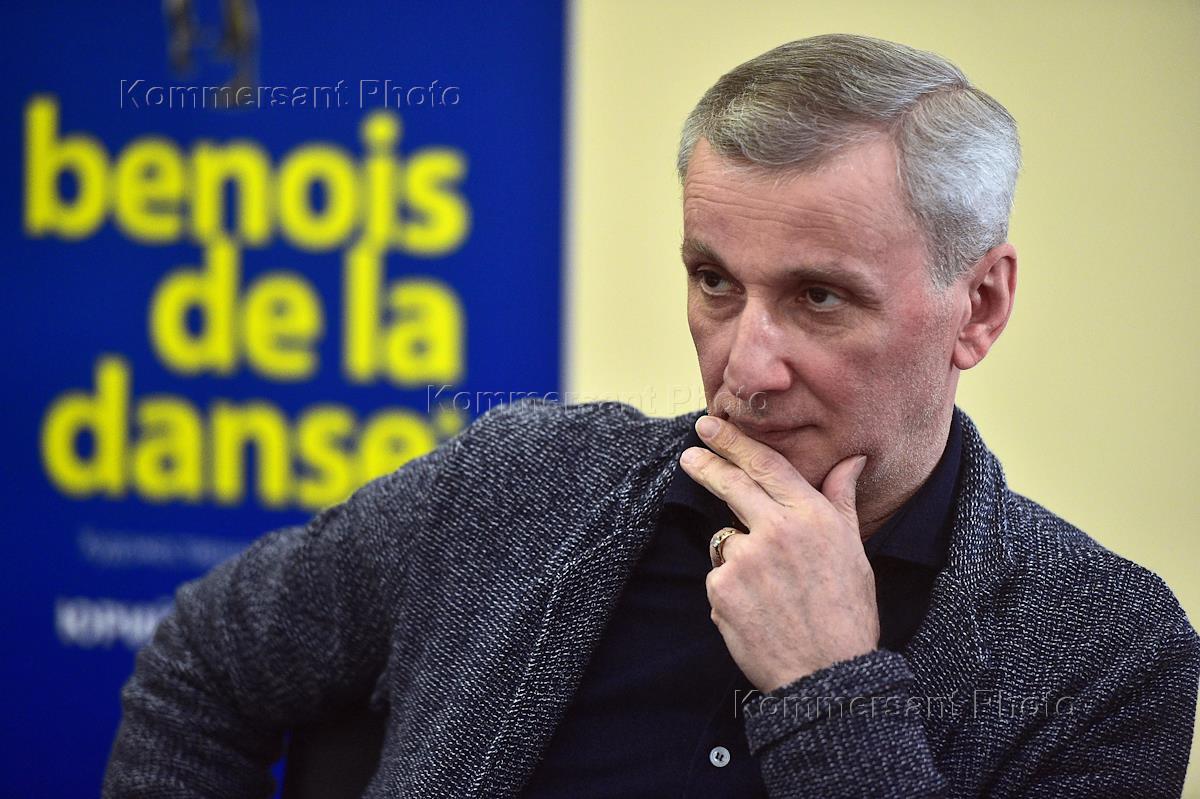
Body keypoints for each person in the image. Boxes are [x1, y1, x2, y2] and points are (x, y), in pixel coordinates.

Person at [103, 33, 1199, 798]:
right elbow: (203, 662)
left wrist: (830, 690)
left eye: (820, 297)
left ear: (982, 305)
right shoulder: (525, 484)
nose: (744, 367)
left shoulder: (1106, 650)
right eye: (714, 281)